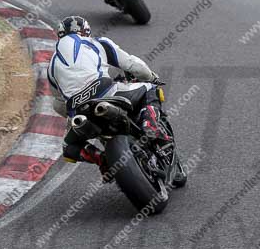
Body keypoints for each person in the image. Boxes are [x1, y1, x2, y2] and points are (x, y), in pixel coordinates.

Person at [47, 16, 170, 175]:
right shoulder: (98, 43)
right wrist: (152, 77)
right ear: (86, 31)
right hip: (105, 91)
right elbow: (133, 65)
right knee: (150, 88)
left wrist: (72, 114)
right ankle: (150, 125)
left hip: (78, 109)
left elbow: (58, 104)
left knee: (68, 147)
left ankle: (102, 160)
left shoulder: (51, 65)